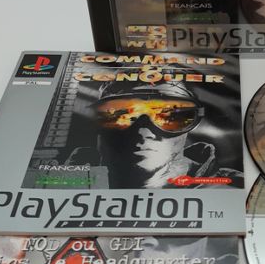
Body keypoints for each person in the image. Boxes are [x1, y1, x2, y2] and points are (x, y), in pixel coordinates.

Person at [67, 77, 242, 190]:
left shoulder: (235, 187)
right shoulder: (63, 182)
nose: (144, 132)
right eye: (121, 115)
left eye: (170, 116)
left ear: (192, 123)